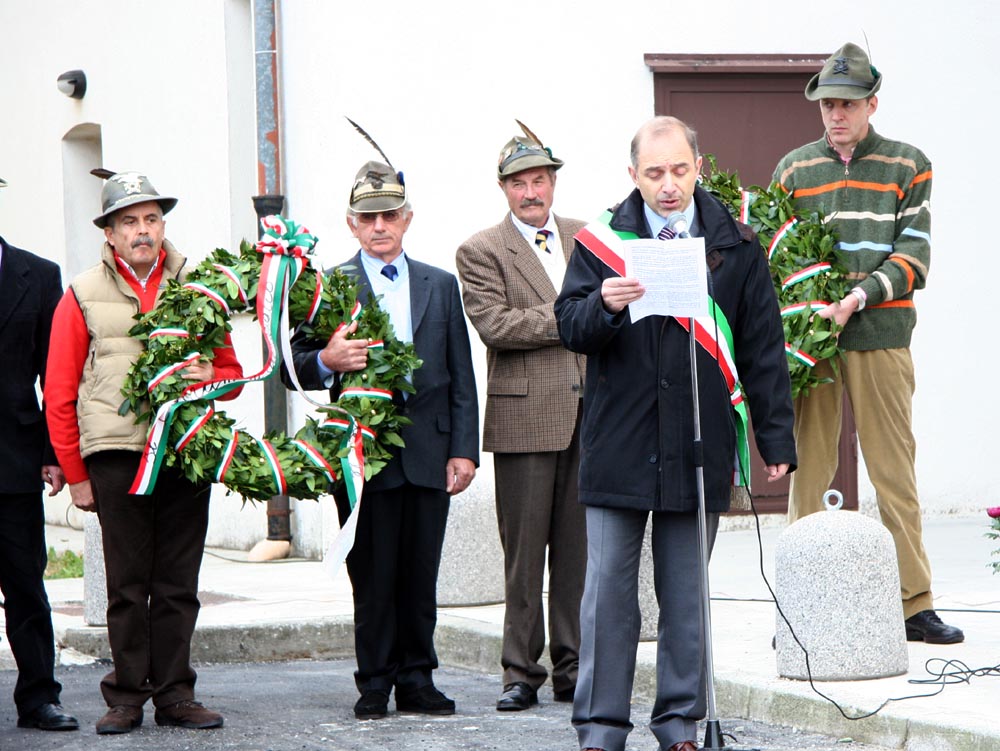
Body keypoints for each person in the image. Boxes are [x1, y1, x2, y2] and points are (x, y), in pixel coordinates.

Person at [555, 116, 796, 751]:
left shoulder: (735, 244)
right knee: (608, 597)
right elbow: (569, 326)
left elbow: (763, 349)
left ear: (698, 168)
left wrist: (775, 439)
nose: (669, 185)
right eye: (655, 172)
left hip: (697, 441)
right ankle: (601, 728)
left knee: (686, 596)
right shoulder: (600, 243)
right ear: (632, 175)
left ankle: (680, 724)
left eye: (680, 170)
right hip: (619, 443)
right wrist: (604, 304)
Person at [773, 42, 962, 645]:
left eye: (848, 104)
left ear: (872, 104)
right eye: (828, 104)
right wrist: (807, 315)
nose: (836, 114)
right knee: (808, 468)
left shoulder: (909, 164)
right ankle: (797, 604)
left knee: (892, 468)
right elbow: (778, 254)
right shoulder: (793, 169)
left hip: (882, 334)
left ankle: (915, 603)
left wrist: (857, 297)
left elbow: (914, 256)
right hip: (814, 345)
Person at [44, 171, 244, 734]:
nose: (143, 230)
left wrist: (212, 377)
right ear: (109, 233)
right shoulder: (82, 293)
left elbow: (231, 372)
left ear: (162, 226)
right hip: (116, 455)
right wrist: (76, 473)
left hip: (186, 450)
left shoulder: (198, 287)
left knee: (178, 583)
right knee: (127, 584)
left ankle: (177, 695)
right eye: (129, 221)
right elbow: (59, 390)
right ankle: (127, 696)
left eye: (152, 219)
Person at [283, 160, 479, 720]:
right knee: (371, 575)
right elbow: (291, 366)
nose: (379, 226)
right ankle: (374, 682)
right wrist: (327, 358)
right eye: (368, 217)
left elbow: (461, 376)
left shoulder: (440, 284)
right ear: (351, 223)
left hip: (430, 453)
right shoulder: (329, 287)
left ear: (407, 219)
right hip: (361, 456)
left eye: (389, 215)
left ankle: (418, 679)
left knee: (420, 575)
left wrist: (464, 450)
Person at [455, 128, 586, 712]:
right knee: (524, 555)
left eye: (539, 180)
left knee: (579, 554)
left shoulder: (587, 236)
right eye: (518, 183)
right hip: (525, 418)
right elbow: (497, 326)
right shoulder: (481, 249)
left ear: (552, 183)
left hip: (589, 414)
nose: (530, 192)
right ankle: (520, 672)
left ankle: (574, 667)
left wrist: (592, 314)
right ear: (503, 189)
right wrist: (577, 316)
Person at [0, 176, 79, 732]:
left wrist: (55, 452)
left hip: (14, 459)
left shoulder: (39, 274)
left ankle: (38, 698)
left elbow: (57, 375)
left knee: (26, 587)